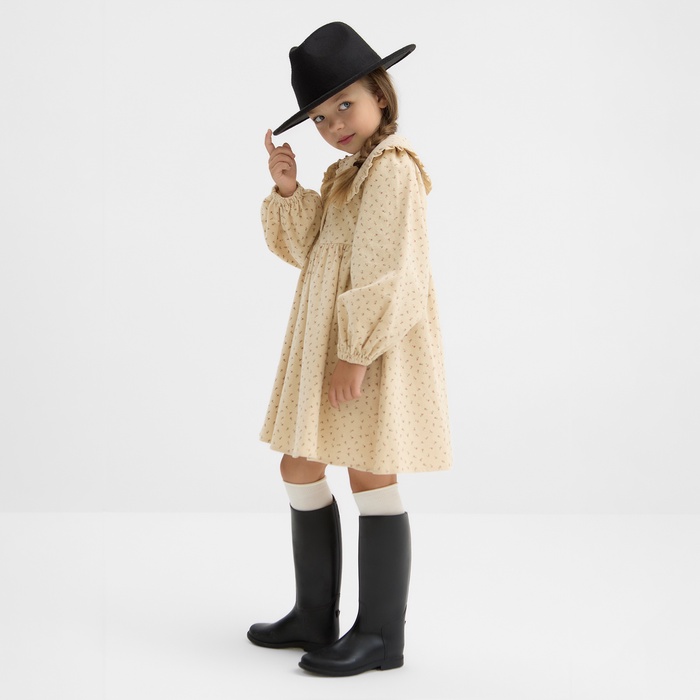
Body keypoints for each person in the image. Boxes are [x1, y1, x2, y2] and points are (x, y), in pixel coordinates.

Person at [247, 21, 452, 677]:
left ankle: (381, 636)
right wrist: (289, 188)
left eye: (345, 104)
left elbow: (390, 269)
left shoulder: (391, 170)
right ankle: (315, 614)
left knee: (370, 472)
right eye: (320, 116)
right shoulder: (346, 174)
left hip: (366, 350)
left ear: (380, 98)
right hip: (332, 345)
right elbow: (314, 249)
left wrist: (358, 353)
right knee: (300, 466)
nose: (334, 123)